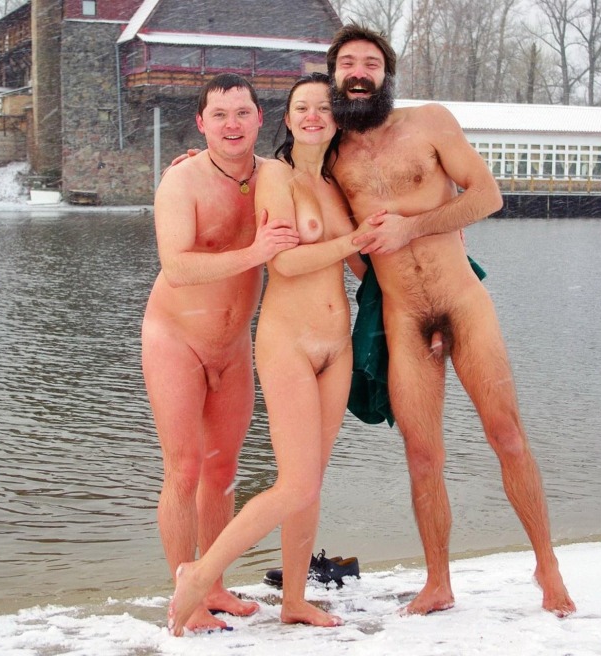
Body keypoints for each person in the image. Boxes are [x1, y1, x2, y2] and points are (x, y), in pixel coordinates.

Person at [326, 24, 577, 618]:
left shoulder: (429, 122)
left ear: (386, 75)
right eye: (348, 63)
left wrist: (411, 228)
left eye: (370, 63)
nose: (359, 72)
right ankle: (438, 582)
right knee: (422, 456)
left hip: (463, 302)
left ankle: (547, 566)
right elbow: (287, 189)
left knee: (506, 435)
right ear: (334, 75)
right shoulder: (330, 154)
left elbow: (487, 195)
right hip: (404, 317)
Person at [167, 73, 375, 636]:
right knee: (294, 483)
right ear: (285, 119)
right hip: (289, 341)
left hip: (337, 345)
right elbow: (283, 261)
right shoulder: (276, 176)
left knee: (312, 481)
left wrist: (420, 241)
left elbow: (364, 268)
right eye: (301, 107)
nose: (312, 116)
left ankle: (295, 599)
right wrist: (354, 240)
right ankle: (198, 575)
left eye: (323, 107)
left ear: (337, 117)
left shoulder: (338, 182)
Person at [141, 73, 302, 633]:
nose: (231, 125)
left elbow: (330, 176)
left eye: (241, 113)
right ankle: (185, 597)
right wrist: (256, 251)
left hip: (233, 347)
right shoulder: (182, 180)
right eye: (219, 114)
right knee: (184, 469)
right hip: (175, 338)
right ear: (200, 123)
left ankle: (213, 583)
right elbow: (177, 267)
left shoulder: (275, 176)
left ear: (260, 119)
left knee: (223, 469)